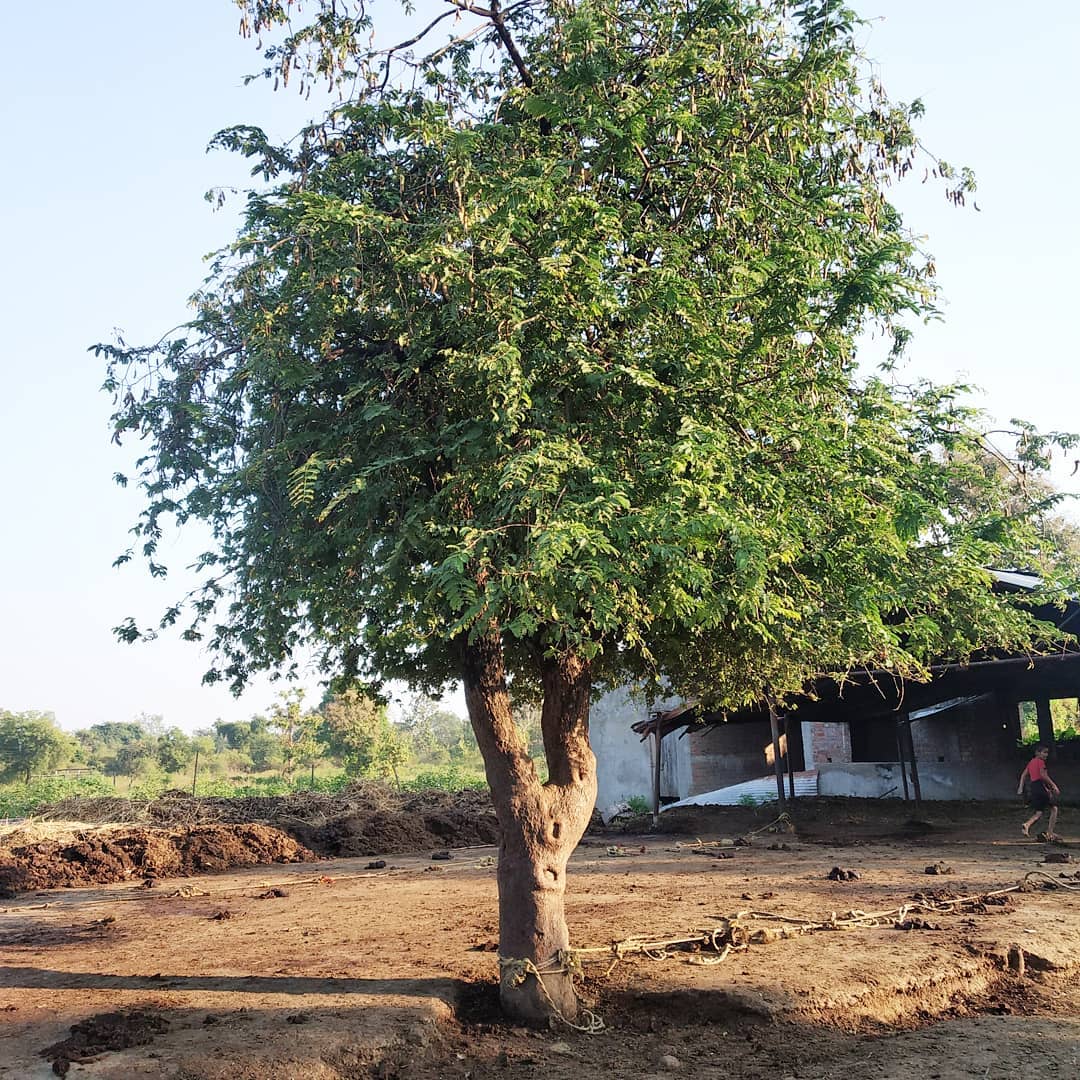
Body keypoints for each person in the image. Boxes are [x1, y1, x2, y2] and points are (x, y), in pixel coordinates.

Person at [1019, 745, 1061, 840]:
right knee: (1054, 809)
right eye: (1044, 752)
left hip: (1034, 787)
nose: (1046, 754)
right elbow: (1043, 775)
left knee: (1039, 812)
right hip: (1041, 786)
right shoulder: (1040, 762)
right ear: (1037, 753)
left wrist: (1020, 787)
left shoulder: (1031, 762)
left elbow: (1023, 775)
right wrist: (1053, 785)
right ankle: (1050, 833)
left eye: (1047, 752)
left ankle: (1027, 824)